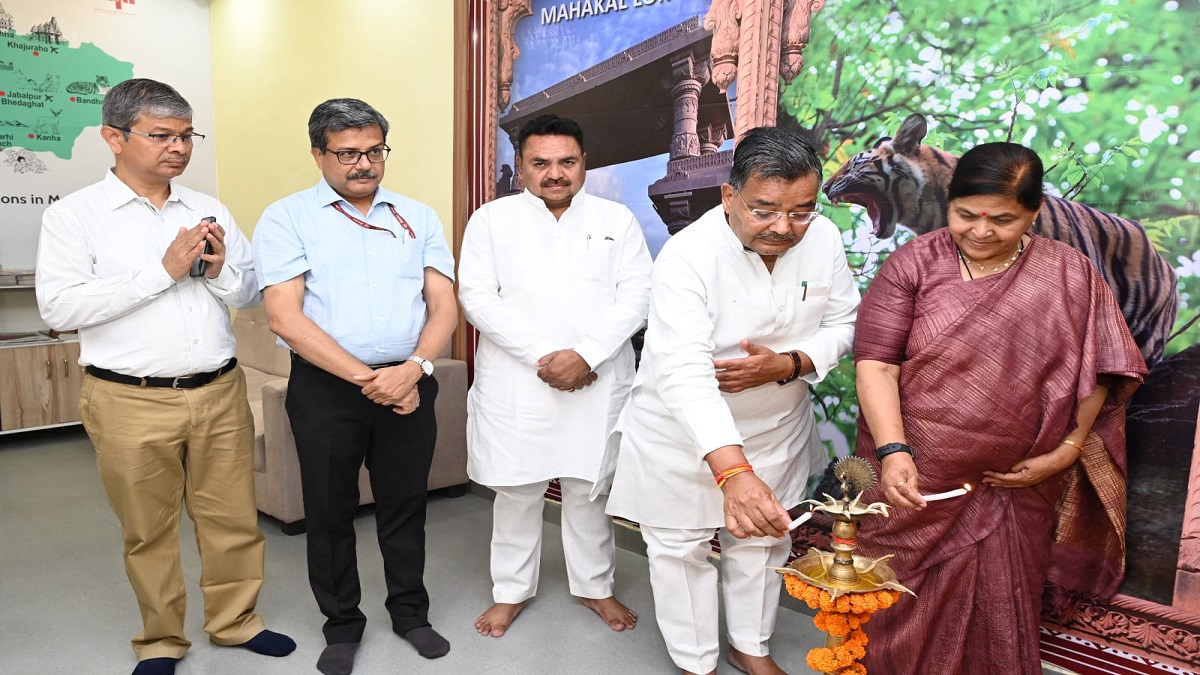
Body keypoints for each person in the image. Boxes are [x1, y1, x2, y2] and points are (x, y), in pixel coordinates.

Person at [852, 142, 1147, 675]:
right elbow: (877, 365)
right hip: (912, 481)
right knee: (892, 611)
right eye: (966, 215)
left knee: (999, 616)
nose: (981, 232)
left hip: (1017, 490)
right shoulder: (913, 264)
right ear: (949, 202)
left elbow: (1100, 369)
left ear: (1034, 213)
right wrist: (894, 452)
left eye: (1003, 220)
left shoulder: (1069, 272)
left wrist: (1067, 450)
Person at [35, 78, 295, 675]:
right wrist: (163, 272)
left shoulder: (209, 208)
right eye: (161, 136)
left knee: (232, 520)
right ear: (114, 137)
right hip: (129, 399)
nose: (178, 148)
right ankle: (160, 640)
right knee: (147, 530)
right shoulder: (75, 216)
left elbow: (251, 294)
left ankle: (235, 622)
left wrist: (221, 271)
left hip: (219, 390)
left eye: (186, 136)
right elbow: (60, 308)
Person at [605, 126, 860, 675]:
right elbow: (683, 372)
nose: (784, 227)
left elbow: (844, 321)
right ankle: (696, 660)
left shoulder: (823, 238)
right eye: (764, 211)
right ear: (729, 195)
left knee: (764, 542)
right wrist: (733, 472)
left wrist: (790, 363)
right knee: (680, 551)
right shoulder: (686, 255)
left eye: (801, 211)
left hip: (776, 423)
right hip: (682, 434)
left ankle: (751, 646)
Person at [252, 99, 457, 675]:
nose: (363, 164)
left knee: (405, 506)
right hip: (327, 389)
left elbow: (443, 304)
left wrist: (413, 370)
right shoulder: (288, 217)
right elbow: (284, 317)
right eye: (346, 154)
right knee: (329, 510)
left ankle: (410, 614)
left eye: (373, 151)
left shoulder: (418, 216)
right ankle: (342, 624)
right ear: (318, 154)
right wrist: (376, 382)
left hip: (408, 379)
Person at [458, 114, 652, 638]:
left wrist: (586, 356)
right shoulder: (491, 220)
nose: (555, 173)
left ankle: (594, 587)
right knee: (517, 493)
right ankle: (510, 592)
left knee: (589, 490)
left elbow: (638, 295)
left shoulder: (617, 219)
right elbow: (477, 297)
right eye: (540, 163)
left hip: (597, 379)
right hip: (519, 382)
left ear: (584, 162)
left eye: (567, 161)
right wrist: (548, 356)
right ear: (521, 166)